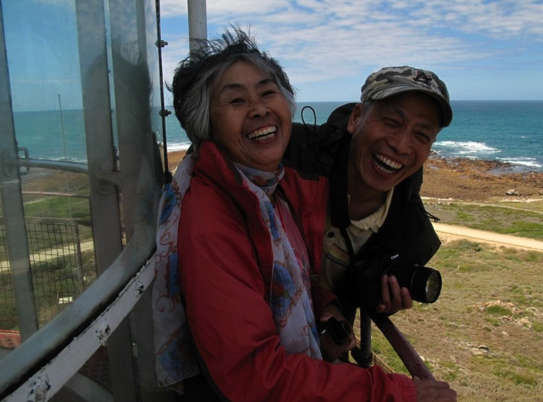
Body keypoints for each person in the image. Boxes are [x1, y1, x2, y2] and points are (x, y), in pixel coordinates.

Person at [158, 28, 455, 401]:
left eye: (268, 93)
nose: (259, 108)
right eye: (236, 100)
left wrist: (327, 304)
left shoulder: (266, 189)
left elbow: (293, 272)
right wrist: (398, 394)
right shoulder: (220, 215)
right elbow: (253, 375)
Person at [287, 65, 453, 341]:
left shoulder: (411, 237)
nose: (401, 145)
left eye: (421, 136)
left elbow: (356, 291)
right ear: (356, 118)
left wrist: (378, 302)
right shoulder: (288, 157)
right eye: (392, 122)